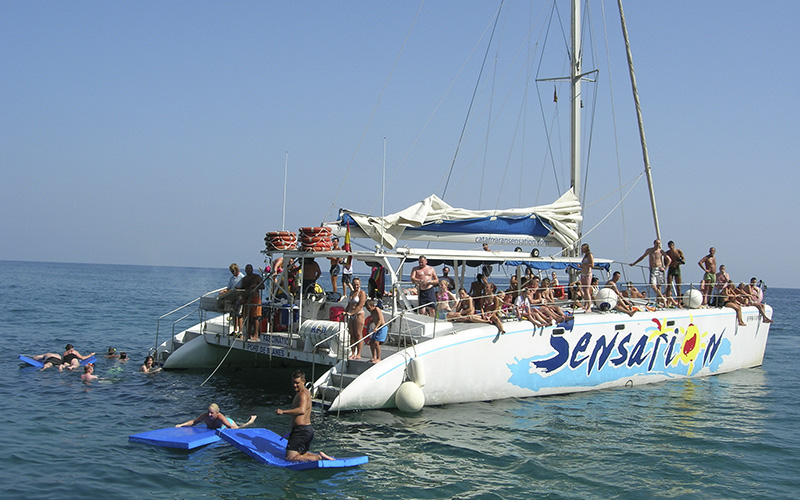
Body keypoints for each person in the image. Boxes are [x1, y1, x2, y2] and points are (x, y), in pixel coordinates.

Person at [275, 371, 333, 462]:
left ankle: (319, 458)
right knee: (301, 454)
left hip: (301, 431)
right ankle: (320, 456)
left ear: (303, 381)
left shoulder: (302, 394)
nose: (295, 385)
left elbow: (301, 410)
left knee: (290, 458)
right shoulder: (305, 393)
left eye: (297, 383)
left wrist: (283, 411)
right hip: (306, 430)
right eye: (293, 382)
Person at [630, 239, 671, 305]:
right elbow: (642, 257)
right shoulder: (649, 250)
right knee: (653, 285)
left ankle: (659, 302)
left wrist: (665, 268)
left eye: (659, 243)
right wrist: (634, 263)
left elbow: (669, 260)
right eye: (657, 243)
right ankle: (662, 298)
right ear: (654, 243)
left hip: (660, 269)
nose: (658, 245)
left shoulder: (661, 251)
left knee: (659, 286)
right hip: (653, 269)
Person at [176, 403, 256, 430]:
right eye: (208, 412)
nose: (209, 414)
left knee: (239, 428)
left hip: (227, 423)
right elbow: (194, 422)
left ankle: (251, 421)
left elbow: (230, 427)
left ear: (217, 412)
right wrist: (181, 425)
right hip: (214, 427)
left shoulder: (220, 417)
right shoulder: (205, 416)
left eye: (211, 413)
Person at [238, 264, 265, 341]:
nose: (248, 270)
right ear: (245, 270)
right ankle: (248, 334)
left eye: (250, 268)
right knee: (248, 318)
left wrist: (256, 285)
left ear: (252, 269)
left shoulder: (256, 277)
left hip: (255, 299)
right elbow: (242, 289)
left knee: (255, 317)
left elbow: (263, 286)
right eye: (247, 269)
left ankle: (256, 334)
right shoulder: (244, 279)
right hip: (247, 299)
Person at [345, 277, 367, 359]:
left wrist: (351, 313)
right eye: (354, 284)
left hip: (358, 314)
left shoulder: (362, 293)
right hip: (351, 314)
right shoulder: (351, 293)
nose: (355, 286)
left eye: (357, 284)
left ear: (360, 284)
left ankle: (359, 353)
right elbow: (349, 305)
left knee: (358, 334)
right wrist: (345, 311)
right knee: (352, 334)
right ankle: (353, 352)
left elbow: (360, 305)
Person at [222, 263, 245, 334]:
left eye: (233, 271)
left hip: (240, 298)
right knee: (234, 314)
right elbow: (229, 288)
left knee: (239, 314)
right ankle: (235, 330)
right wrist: (224, 291)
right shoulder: (232, 278)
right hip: (233, 298)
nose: (232, 273)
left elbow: (244, 287)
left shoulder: (242, 277)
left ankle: (240, 331)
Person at [364, 299, 387, 363]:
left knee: (376, 343)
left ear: (373, 305)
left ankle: (378, 358)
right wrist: (370, 322)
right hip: (377, 327)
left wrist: (376, 327)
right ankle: (373, 357)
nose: (368, 310)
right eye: (367, 309)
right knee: (371, 342)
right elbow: (374, 318)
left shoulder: (377, 309)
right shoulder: (371, 312)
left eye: (369, 308)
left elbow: (380, 320)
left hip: (382, 327)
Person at [579, 243, 594, 312]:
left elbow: (592, 264)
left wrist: (584, 265)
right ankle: (586, 304)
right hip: (583, 273)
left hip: (588, 273)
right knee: (584, 290)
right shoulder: (585, 256)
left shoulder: (590, 255)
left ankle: (589, 306)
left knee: (587, 290)